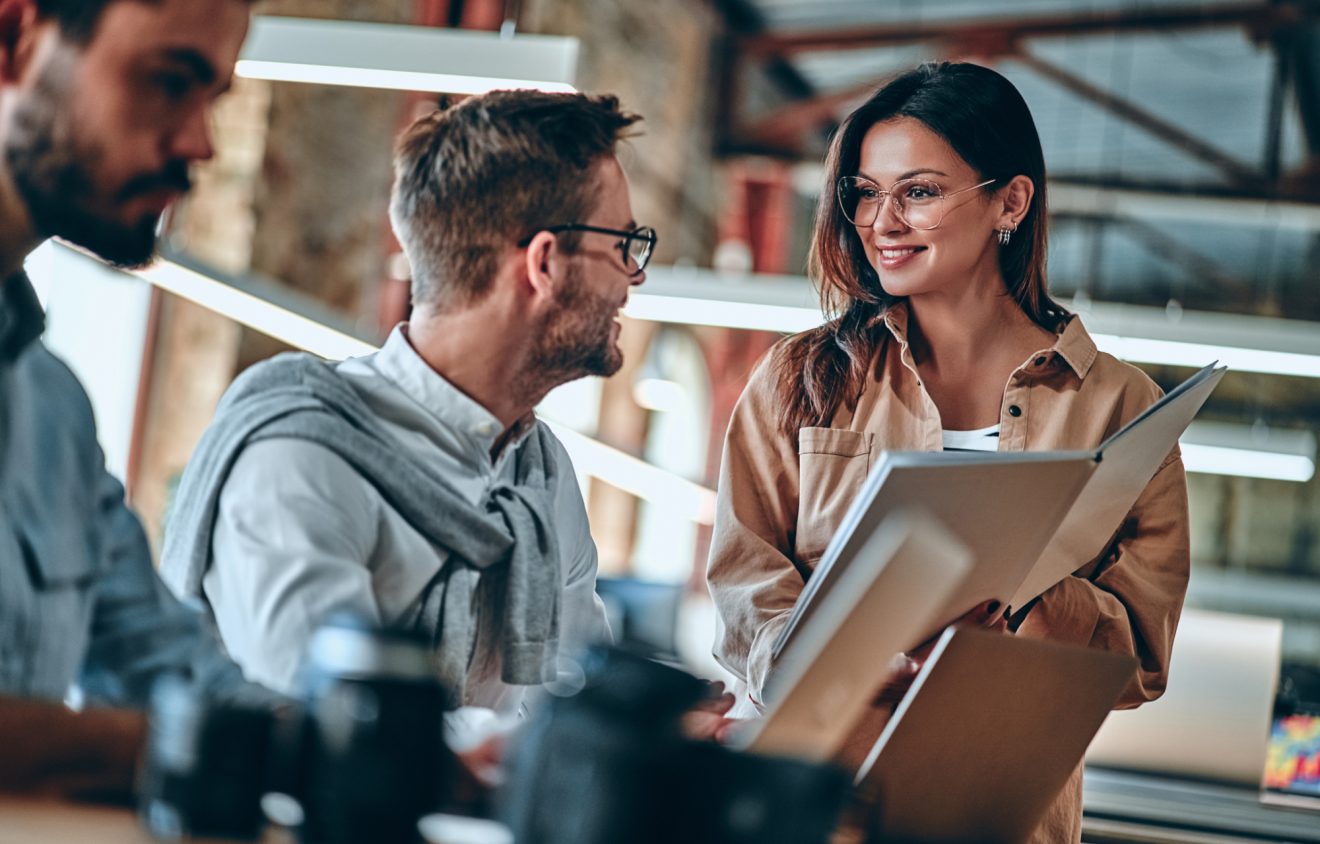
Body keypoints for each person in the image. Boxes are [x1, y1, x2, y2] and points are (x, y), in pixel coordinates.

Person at [706, 62, 1190, 843]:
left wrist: (1030, 608)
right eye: (864, 193)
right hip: (813, 806)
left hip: (1004, 814)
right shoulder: (800, 379)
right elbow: (744, 581)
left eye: (918, 191)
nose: (881, 221)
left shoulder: (1121, 409)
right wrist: (818, 661)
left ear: (1010, 201)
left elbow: (1141, 653)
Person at [161, 92, 651, 720]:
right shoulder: (302, 455)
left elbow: (580, 700)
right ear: (546, 262)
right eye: (624, 245)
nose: (633, 277)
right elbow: (335, 727)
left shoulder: (541, 473)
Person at [0, 0, 266, 797]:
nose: (200, 143)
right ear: (16, 40)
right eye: (167, 81)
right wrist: (160, 749)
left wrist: (422, 763)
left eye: (210, 97)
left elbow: (167, 662)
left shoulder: (52, 413)